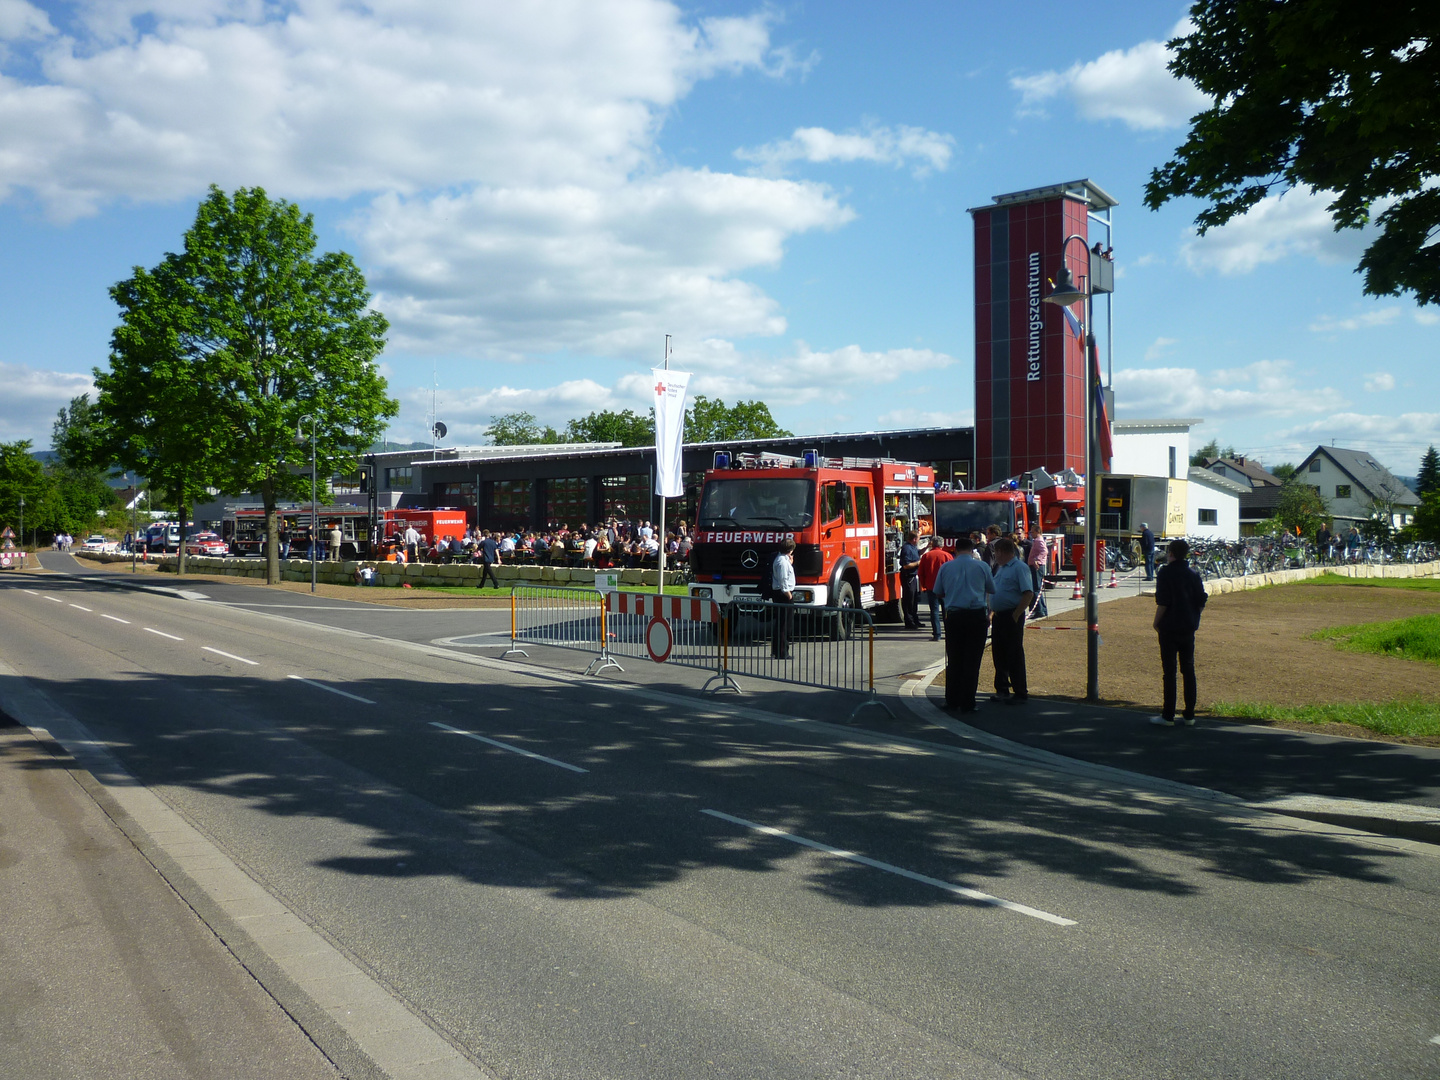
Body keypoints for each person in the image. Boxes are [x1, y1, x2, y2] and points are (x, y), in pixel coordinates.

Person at [931, 536, 994, 713]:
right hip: (976, 615)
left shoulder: (946, 567)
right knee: (972, 661)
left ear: (956, 550)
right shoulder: (982, 566)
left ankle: (952, 699)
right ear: (972, 549)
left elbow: (938, 592)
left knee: (955, 659)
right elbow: (992, 588)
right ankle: (968, 702)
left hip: (955, 616)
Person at [1150, 538, 1208, 727]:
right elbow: (1201, 600)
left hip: (1169, 627)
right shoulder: (1193, 574)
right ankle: (1189, 714)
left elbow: (1163, 602)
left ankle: (1168, 714)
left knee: (1170, 672)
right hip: (1188, 627)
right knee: (1188, 670)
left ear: (1171, 553)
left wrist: (1156, 622)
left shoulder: (1165, 573)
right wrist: (1193, 617)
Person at [988, 537, 1034, 704]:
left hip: (1011, 615)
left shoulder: (1019, 568)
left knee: (1013, 653)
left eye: (996, 553)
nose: (995, 556)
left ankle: (1020, 691)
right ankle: (1002, 689)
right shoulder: (1000, 568)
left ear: (1002, 551)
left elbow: (1028, 593)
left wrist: (1016, 614)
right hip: (999, 615)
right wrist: (992, 611)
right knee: (999, 653)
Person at [917, 537, 952, 641]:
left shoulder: (926, 556)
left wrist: (924, 585)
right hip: (945, 588)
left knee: (934, 611)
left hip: (931, 587)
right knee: (946, 611)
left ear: (932, 544)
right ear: (941, 545)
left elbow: (921, 573)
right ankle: (949, 633)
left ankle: (937, 634)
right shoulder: (947, 556)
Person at [770, 537, 796, 660]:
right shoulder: (782, 562)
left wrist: (790, 563)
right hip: (783, 595)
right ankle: (782, 652)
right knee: (784, 625)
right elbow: (783, 579)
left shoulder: (783, 560)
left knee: (782, 623)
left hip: (781, 593)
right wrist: (788, 594)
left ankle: (776, 651)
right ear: (790, 549)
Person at [899, 530, 922, 629]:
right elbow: (906, 565)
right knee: (909, 600)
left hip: (913, 576)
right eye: (918, 539)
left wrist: (926, 548)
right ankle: (909, 622)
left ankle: (915, 620)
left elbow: (918, 552)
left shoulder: (913, 547)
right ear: (914, 539)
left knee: (914, 599)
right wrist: (918, 563)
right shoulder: (906, 549)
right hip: (908, 576)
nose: (919, 541)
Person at [1025, 523, 1049, 618]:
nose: (1031, 533)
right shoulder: (1036, 540)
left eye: (1032, 532)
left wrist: (1036, 560)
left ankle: (1039, 610)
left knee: (1036, 589)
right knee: (1037, 589)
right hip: (1034, 566)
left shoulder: (1039, 540)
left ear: (1037, 532)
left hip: (1037, 567)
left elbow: (1044, 551)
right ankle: (1042, 609)